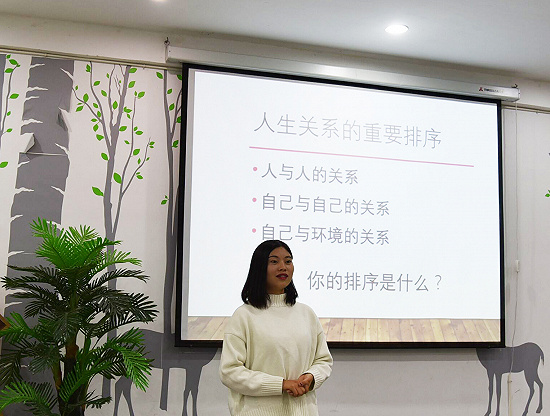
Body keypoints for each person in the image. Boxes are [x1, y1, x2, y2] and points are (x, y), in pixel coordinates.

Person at [219, 240, 333, 416]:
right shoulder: (244, 315)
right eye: (274, 261)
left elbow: (323, 360)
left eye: (288, 261)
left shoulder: (306, 313)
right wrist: (281, 384)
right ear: (259, 268)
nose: (283, 267)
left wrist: (311, 377)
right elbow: (230, 372)